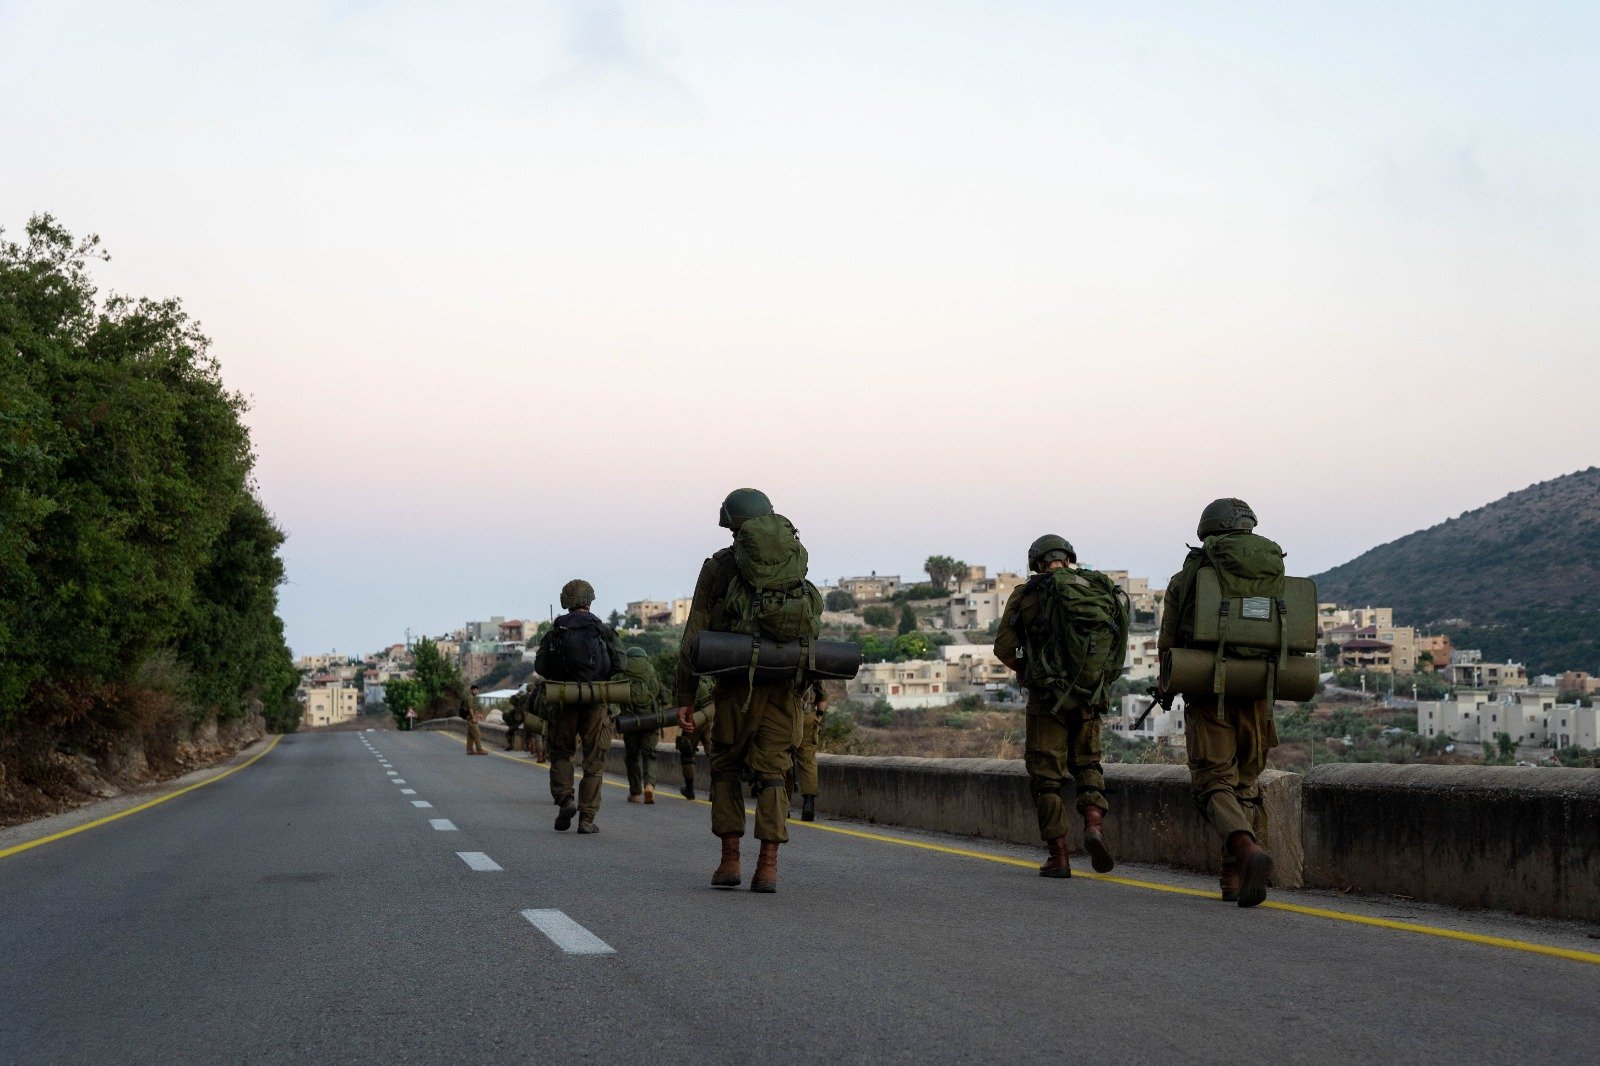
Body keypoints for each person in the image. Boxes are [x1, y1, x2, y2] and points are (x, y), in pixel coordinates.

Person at [676, 488, 819, 893]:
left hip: (734, 688)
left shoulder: (720, 567)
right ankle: (768, 868)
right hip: (784, 689)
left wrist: (685, 695)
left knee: (724, 768)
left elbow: (694, 635)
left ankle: (730, 861)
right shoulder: (794, 561)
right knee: (774, 774)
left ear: (731, 522)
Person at [1158, 498, 1278, 908]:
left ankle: (1245, 850)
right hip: (1260, 689)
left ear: (1207, 530)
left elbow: (1168, 641)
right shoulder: (1270, 567)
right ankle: (1232, 878)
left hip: (1211, 692)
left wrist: (1167, 684)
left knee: (1212, 782)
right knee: (1244, 783)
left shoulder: (1188, 575)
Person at [995, 535, 1123, 878]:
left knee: (1046, 777)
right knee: (1088, 763)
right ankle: (1094, 825)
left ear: (1037, 563)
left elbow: (1003, 649)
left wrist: (1026, 669)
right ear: (1068, 558)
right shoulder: (1099, 589)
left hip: (1047, 699)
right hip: (1089, 695)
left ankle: (1059, 856)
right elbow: (1117, 648)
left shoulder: (1026, 595)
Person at [534, 580, 625, 834]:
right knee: (593, 762)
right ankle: (586, 819)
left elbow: (541, 666)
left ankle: (566, 799)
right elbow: (620, 664)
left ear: (566, 601)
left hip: (564, 699)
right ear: (590, 600)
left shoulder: (556, 630)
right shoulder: (601, 628)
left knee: (562, 753)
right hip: (596, 700)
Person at [621, 647, 664, 804]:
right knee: (649, 754)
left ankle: (635, 793)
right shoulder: (651, 670)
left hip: (630, 722)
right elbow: (664, 696)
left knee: (632, 757)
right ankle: (649, 786)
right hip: (650, 720)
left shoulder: (624, 670)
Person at [791, 682, 828, 822]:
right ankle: (808, 804)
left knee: (782, 758)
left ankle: (782, 806)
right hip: (808, 716)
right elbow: (823, 697)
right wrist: (818, 717)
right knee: (808, 762)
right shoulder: (813, 664)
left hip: (786, 717)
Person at [676, 676, 715, 800]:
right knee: (714, 755)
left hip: (692, 718)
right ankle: (714, 791)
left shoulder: (689, 674)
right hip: (708, 718)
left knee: (687, 753)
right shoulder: (710, 674)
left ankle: (689, 789)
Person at [461, 684, 488, 755]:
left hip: (469, 718)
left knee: (470, 735)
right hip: (470, 719)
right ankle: (479, 749)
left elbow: (473, 709)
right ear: (471, 691)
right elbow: (470, 708)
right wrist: (473, 718)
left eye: (476, 690)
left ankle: (469, 750)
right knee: (477, 734)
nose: (476, 691)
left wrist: (478, 715)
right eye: (474, 690)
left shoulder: (472, 697)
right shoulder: (470, 697)